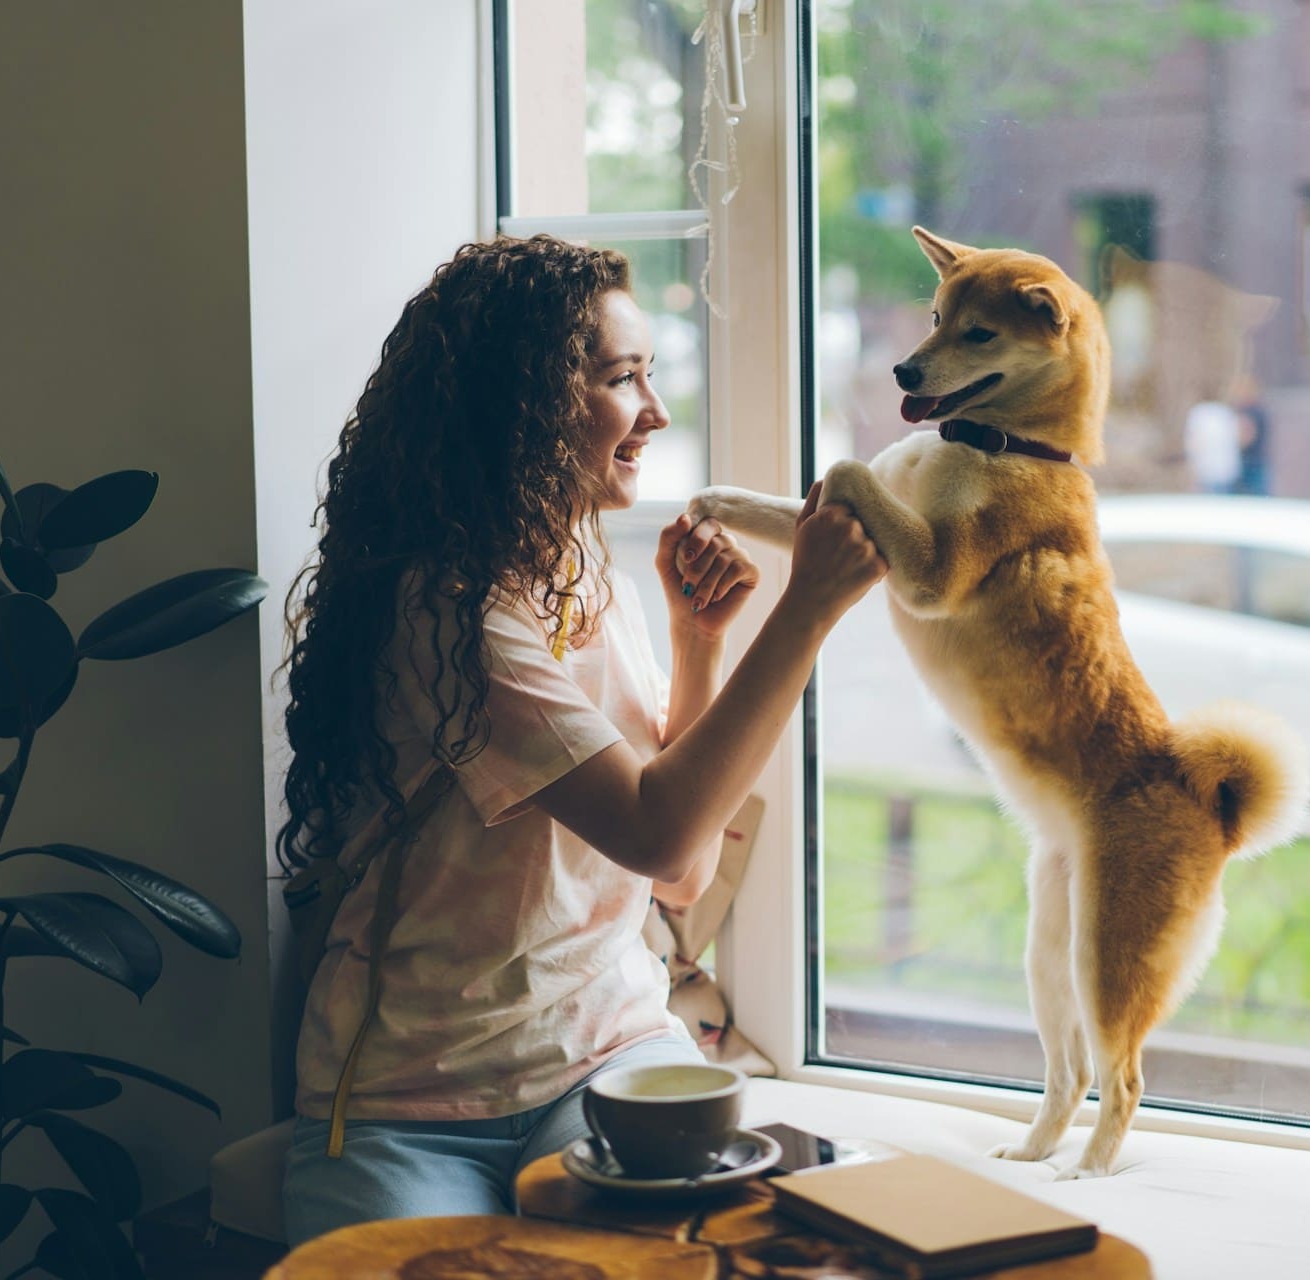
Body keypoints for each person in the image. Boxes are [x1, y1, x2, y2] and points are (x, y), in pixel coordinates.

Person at [275, 234, 885, 1244]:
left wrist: (699, 644)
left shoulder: (581, 575)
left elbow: (679, 873)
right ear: (520, 404)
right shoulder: (447, 611)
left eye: (651, 374)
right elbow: (654, 832)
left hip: (603, 1050)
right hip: (404, 1101)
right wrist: (806, 608)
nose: (656, 411)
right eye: (624, 378)